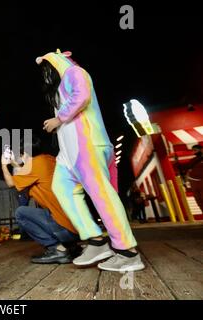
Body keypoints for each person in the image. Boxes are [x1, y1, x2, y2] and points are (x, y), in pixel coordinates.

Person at [36, 49, 144, 272]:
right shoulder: (60, 86)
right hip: (70, 155)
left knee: (101, 195)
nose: (45, 76)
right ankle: (96, 241)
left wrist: (58, 119)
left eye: (46, 69)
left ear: (55, 65)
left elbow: (82, 95)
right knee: (62, 188)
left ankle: (128, 252)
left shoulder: (74, 72)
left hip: (87, 146)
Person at [1, 136, 81, 264]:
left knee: (21, 212)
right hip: (77, 226)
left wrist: (4, 165)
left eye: (21, 155)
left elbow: (11, 182)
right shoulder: (48, 159)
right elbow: (29, 173)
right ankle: (72, 247)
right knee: (50, 212)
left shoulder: (34, 165)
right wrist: (14, 164)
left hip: (65, 228)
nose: (20, 159)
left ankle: (57, 249)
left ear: (25, 153)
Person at [185, 145, 203, 213]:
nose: (194, 152)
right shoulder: (192, 161)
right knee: (198, 200)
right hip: (193, 182)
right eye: (193, 150)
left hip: (201, 181)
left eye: (195, 150)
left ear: (201, 150)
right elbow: (188, 170)